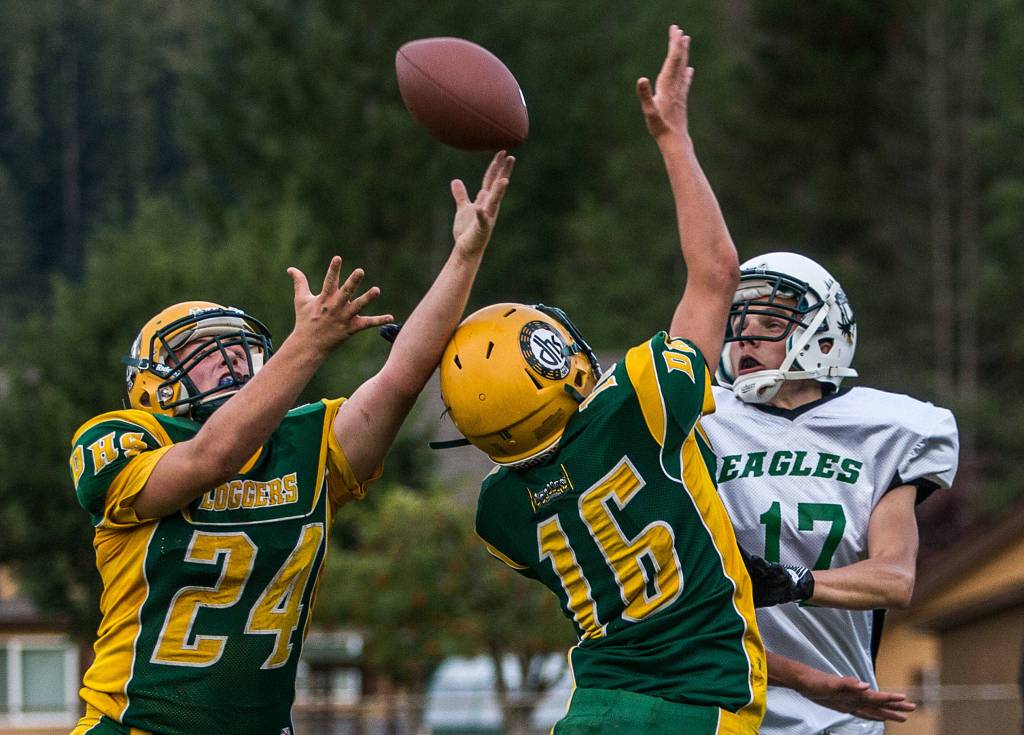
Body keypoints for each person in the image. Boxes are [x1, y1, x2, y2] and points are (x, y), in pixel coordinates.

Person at [66, 152, 514, 735]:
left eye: (237, 350)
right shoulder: (124, 437)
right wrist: (306, 347)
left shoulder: (305, 444)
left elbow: (402, 376)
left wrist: (464, 256)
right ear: (150, 383)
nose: (228, 363)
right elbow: (212, 458)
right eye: (203, 354)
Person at [703, 251, 959, 734]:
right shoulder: (705, 417)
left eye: (768, 321)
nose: (745, 336)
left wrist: (796, 581)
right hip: (725, 710)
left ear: (823, 335)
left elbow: (895, 577)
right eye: (738, 322)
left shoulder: (888, 429)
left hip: (837, 718)